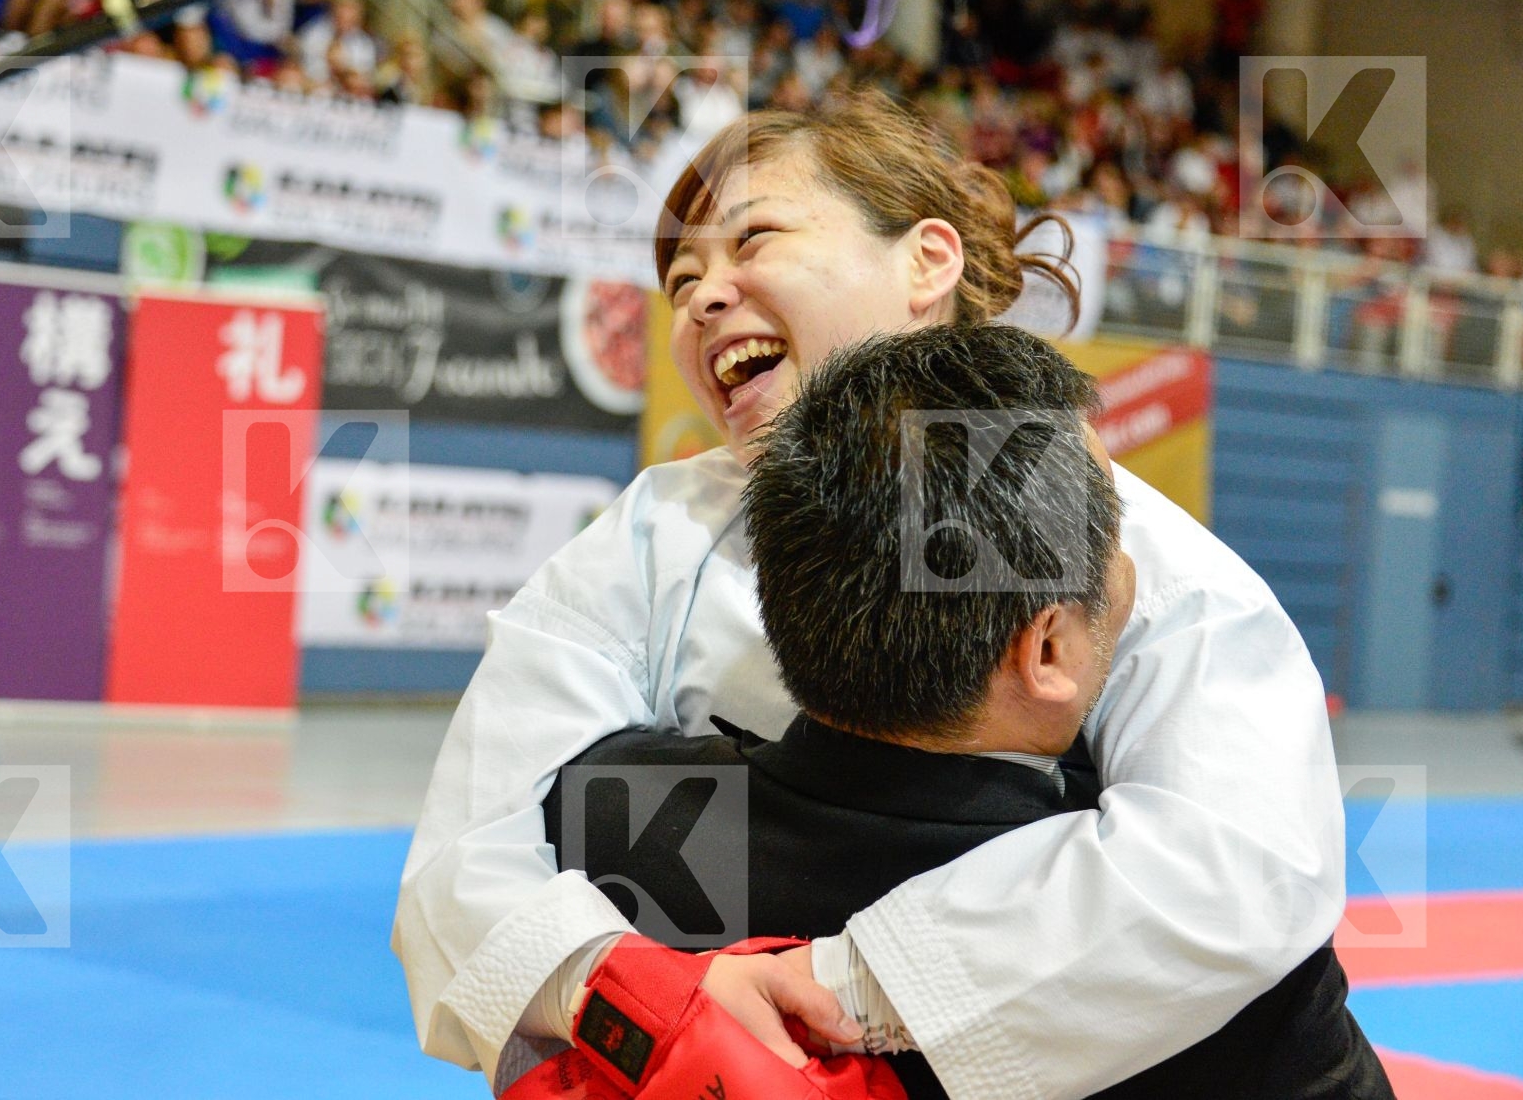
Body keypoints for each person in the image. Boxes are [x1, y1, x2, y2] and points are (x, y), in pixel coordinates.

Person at [394, 93, 1346, 1097]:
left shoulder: (1125, 557)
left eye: (751, 239)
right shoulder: (649, 537)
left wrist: (829, 985)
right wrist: (639, 996)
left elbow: (1235, 874)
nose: (704, 297)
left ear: (927, 262)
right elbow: (467, 850)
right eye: (681, 282)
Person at [539, 324, 1392, 1099]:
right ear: (1047, 651)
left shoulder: (607, 824)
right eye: (1114, 533)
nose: (1135, 563)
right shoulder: (1218, 975)